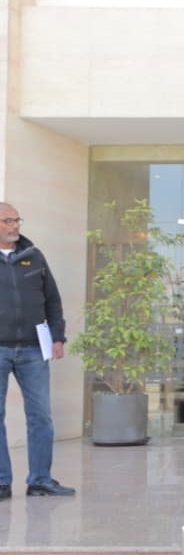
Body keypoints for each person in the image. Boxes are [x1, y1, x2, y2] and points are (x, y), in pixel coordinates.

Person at [0, 202, 74, 499]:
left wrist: (58, 337)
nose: (15, 226)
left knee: (41, 416)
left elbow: (52, 300)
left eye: (17, 220)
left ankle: (40, 480)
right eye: (7, 221)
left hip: (33, 349)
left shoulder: (34, 257)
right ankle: (2, 481)